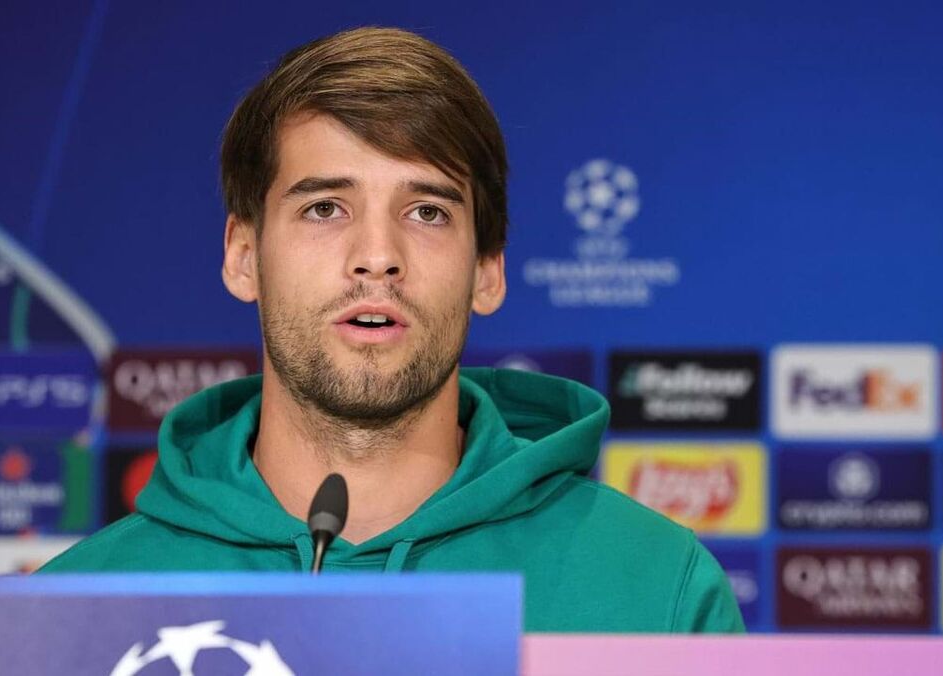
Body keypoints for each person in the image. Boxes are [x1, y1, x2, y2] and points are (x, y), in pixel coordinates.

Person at [41, 26, 744, 633]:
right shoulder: (72, 612)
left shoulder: (655, 590)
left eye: (427, 212)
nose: (377, 256)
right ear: (243, 255)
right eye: (324, 208)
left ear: (488, 271)